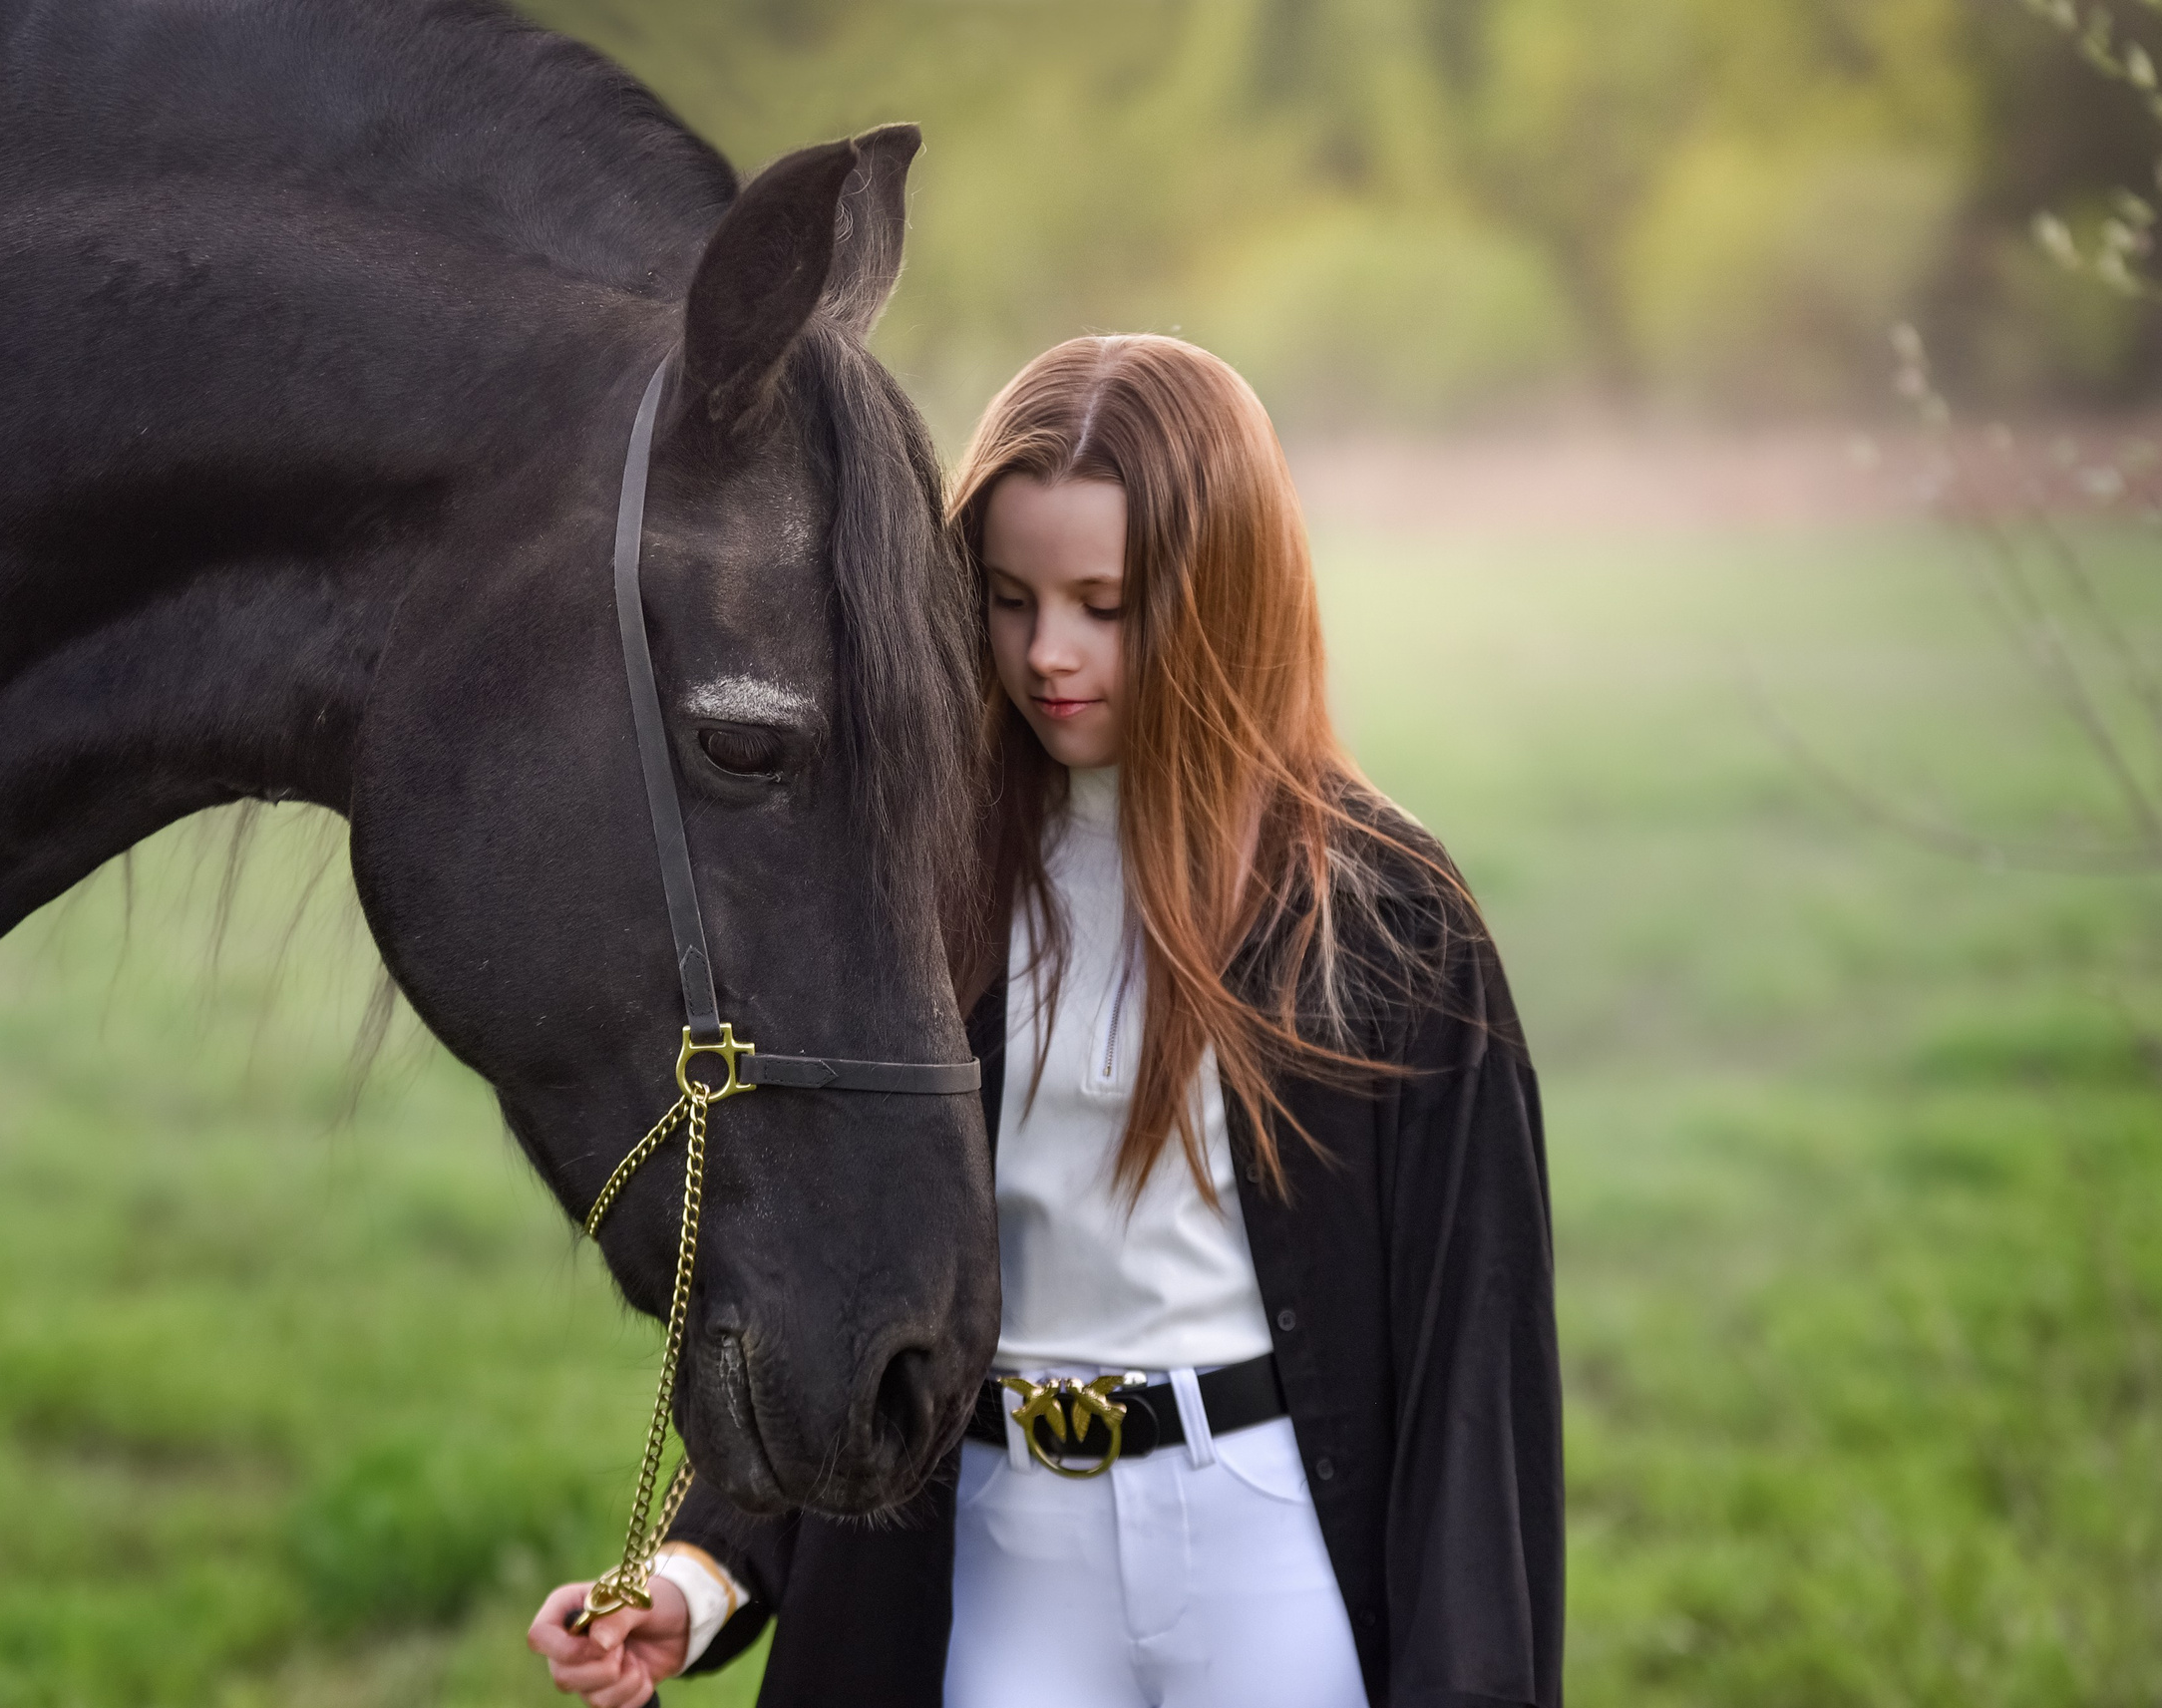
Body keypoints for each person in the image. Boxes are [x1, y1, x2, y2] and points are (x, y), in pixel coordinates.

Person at [528, 335, 1563, 1708]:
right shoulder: (917, 873)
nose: (1047, 653)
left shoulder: (1380, 912)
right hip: (1003, 1550)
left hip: (1262, 1546)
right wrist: (700, 1569)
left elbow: (1471, 1364)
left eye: (1104, 603)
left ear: (1223, 596)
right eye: (1009, 598)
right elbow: (851, 1268)